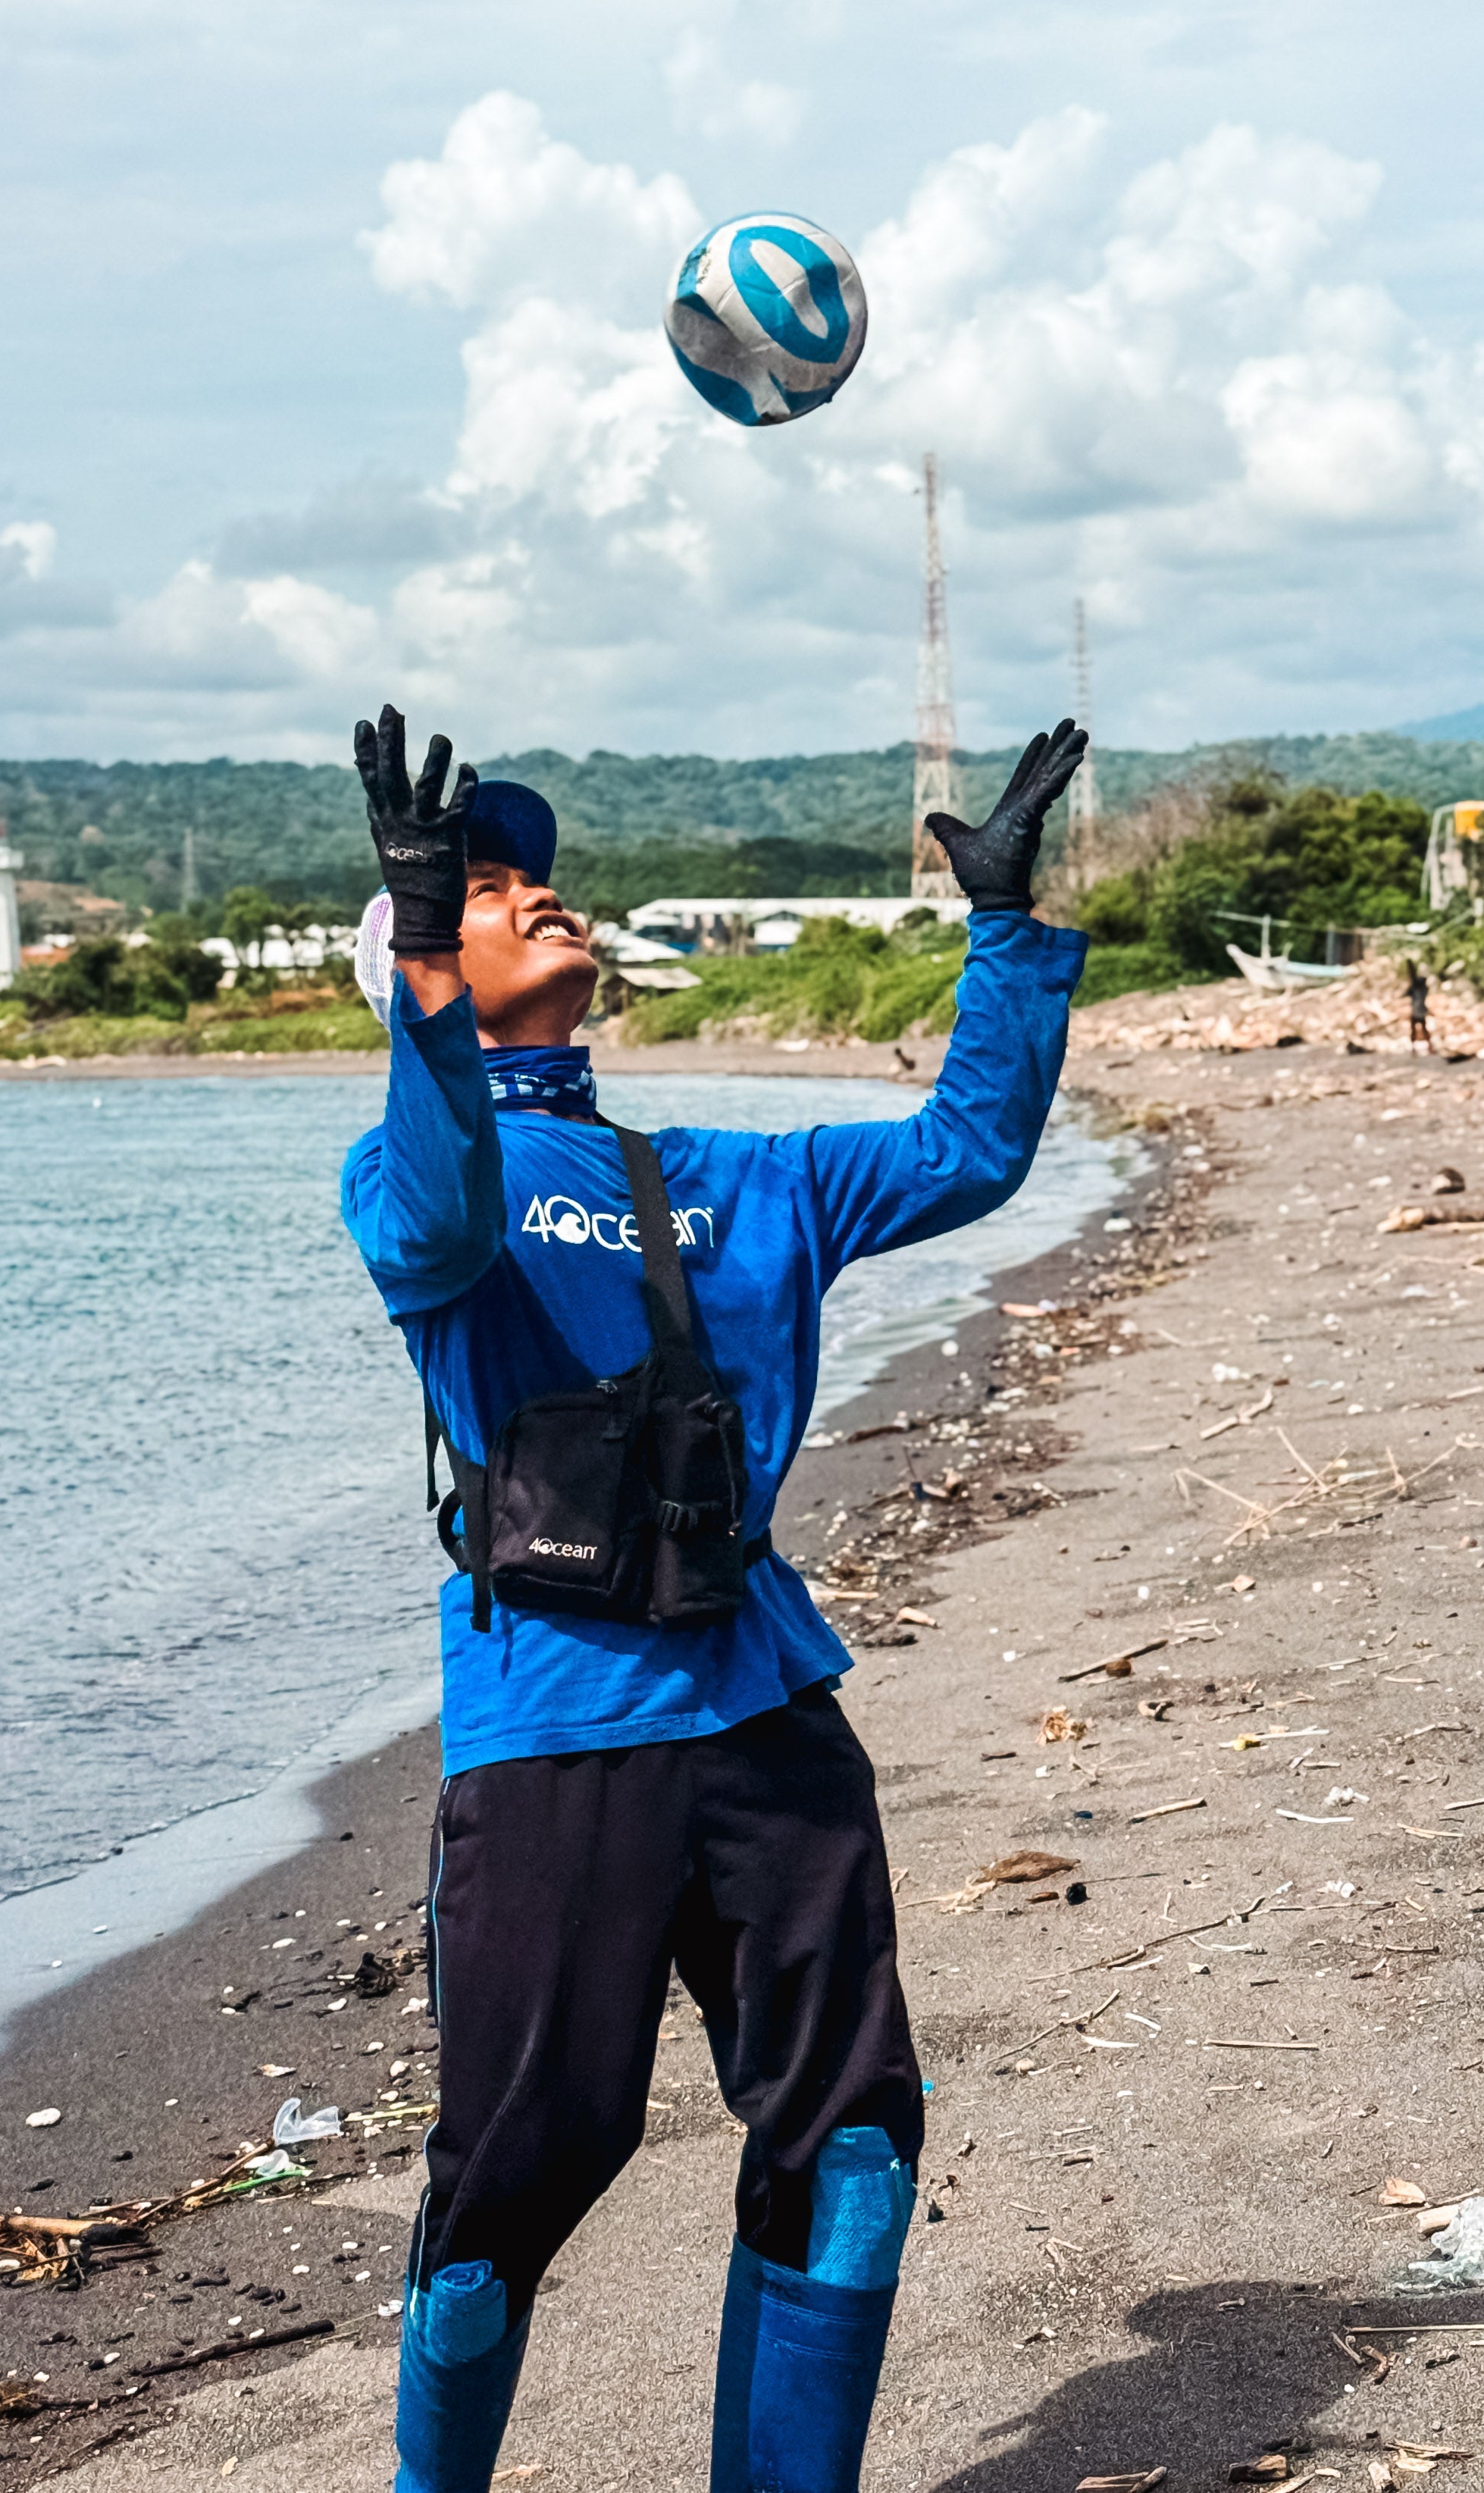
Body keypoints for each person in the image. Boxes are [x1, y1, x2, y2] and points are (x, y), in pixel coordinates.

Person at [340, 706, 1088, 2493]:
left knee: (854, 2161)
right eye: (486, 887)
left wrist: (1004, 927)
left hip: (767, 1719)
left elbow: (968, 1151)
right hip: (559, 1737)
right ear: (423, 962)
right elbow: (436, 1215)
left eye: (531, 879)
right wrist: (428, 966)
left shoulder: (741, 1181)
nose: (537, 895)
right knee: (513, 2184)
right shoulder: (422, 1182)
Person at [1407, 958, 1433, 1054]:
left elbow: (1413, 977)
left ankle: (1420, 1048)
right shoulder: (1422, 989)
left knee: (1418, 1030)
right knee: (1420, 1030)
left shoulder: (1419, 989)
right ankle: (1425, 1047)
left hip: (1417, 1011)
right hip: (1419, 1011)